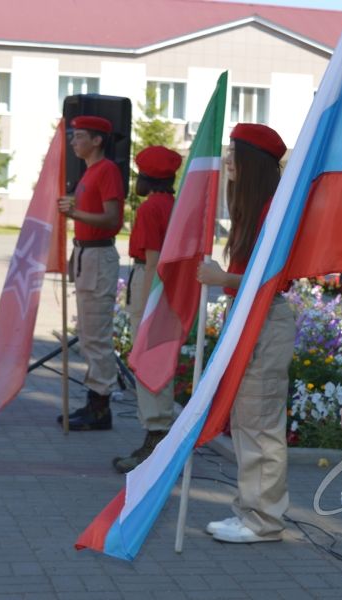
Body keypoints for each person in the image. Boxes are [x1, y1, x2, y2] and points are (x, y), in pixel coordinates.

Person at [197, 123, 295, 544]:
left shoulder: (274, 208)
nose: (227, 161)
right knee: (248, 420)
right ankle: (251, 510)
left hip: (265, 318)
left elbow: (275, 278)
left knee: (259, 423)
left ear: (253, 162)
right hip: (250, 317)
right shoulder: (253, 207)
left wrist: (223, 277)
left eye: (234, 153)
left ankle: (264, 519)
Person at [112, 145, 182, 473]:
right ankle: (158, 436)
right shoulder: (173, 204)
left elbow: (152, 259)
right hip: (168, 287)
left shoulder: (151, 208)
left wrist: (145, 307)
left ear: (147, 177)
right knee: (159, 360)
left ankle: (156, 438)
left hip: (151, 283)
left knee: (148, 360)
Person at [57, 116, 125, 430]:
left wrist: (75, 212)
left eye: (79, 136)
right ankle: (94, 401)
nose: (74, 141)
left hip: (98, 254)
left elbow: (112, 219)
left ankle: (100, 407)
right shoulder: (89, 172)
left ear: (97, 140)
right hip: (87, 252)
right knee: (87, 334)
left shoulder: (107, 170)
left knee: (96, 335)